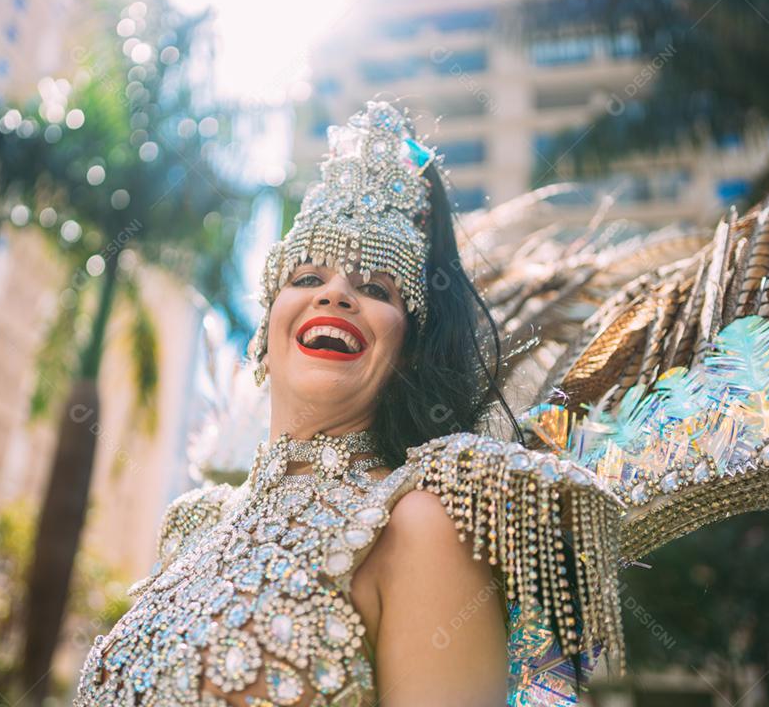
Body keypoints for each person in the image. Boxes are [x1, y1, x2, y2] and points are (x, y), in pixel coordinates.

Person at [74, 100, 622, 707]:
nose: (334, 293)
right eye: (307, 279)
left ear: (409, 348)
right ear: (268, 324)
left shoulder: (417, 524)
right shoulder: (193, 525)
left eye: (374, 287)